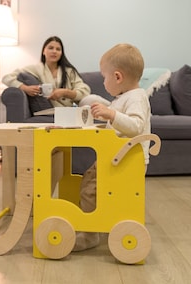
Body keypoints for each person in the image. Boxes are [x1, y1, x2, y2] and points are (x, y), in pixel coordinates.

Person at [73, 43, 151, 251]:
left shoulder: (136, 98)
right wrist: (107, 114)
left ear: (117, 77)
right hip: (115, 158)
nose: (103, 82)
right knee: (91, 184)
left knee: (90, 190)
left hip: (124, 161)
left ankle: (90, 233)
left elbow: (135, 126)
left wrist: (112, 114)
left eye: (104, 77)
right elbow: (116, 127)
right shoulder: (123, 98)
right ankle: (99, 224)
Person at [2, 36, 90, 107]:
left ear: (61, 53)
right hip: (48, 110)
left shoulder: (69, 71)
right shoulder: (36, 68)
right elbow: (6, 78)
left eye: (58, 49)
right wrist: (25, 88)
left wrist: (65, 92)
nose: (54, 51)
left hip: (68, 111)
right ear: (44, 51)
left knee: (92, 100)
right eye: (51, 48)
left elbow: (85, 91)